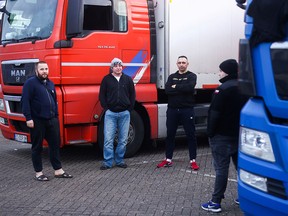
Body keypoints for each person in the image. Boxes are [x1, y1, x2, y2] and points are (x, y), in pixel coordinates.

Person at [201, 59, 248, 213]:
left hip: (221, 136)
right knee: (241, 168)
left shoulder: (222, 89)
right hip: (238, 135)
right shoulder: (244, 88)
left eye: (221, 70)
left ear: (227, 71)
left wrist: (210, 132)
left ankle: (215, 202)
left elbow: (214, 113)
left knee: (221, 169)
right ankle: (244, 196)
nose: (219, 73)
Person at [21, 61, 73, 181]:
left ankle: (58, 170)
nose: (44, 71)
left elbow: (54, 101)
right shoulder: (30, 83)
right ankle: (39, 173)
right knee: (37, 147)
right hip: (37, 120)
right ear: (36, 71)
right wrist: (28, 118)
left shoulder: (50, 83)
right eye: (42, 69)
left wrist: (56, 116)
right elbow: (25, 101)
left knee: (55, 145)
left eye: (46, 69)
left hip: (52, 120)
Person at [157, 55, 199, 170]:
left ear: (187, 64)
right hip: (172, 110)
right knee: (170, 135)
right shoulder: (172, 76)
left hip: (187, 110)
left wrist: (176, 87)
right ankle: (168, 159)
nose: (181, 64)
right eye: (179, 62)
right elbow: (167, 90)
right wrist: (180, 88)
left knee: (191, 135)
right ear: (177, 64)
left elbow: (190, 88)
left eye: (183, 62)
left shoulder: (192, 76)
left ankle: (193, 160)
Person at [99, 58, 136, 170]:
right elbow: (102, 95)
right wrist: (107, 109)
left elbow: (132, 95)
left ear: (122, 67)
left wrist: (129, 109)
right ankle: (108, 162)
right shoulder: (106, 80)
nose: (118, 67)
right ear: (112, 67)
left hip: (125, 113)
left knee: (123, 139)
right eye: (116, 66)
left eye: (120, 65)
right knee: (108, 139)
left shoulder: (128, 79)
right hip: (111, 114)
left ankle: (119, 160)